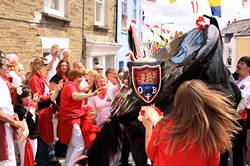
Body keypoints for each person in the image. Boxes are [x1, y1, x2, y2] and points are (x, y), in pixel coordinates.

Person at [141, 80, 240, 166]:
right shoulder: (209, 133)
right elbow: (213, 163)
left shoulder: (162, 125)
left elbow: (151, 154)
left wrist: (148, 127)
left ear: (177, 102)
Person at [57, 69, 99, 165]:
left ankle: (68, 164)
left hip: (71, 119)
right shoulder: (69, 86)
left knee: (73, 146)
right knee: (80, 146)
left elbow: (84, 89)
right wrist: (91, 94)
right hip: (70, 120)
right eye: (80, 77)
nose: (82, 79)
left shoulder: (72, 85)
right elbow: (75, 96)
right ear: (74, 77)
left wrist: (93, 81)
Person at [220, 56, 250, 166]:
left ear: (249, 68)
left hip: (238, 122)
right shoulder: (235, 80)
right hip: (226, 121)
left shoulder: (248, 83)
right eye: (238, 63)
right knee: (223, 151)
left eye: (242, 63)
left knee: (237, 153)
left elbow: (242, 101)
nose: (238, 65)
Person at [0, 52, 23, 165]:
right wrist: (14, 122)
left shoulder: (3, 82)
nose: (10, 68)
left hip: (6, 125)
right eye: (7, 66)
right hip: (2, 127)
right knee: (6, 161)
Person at [14, 87, 38, 166]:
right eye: (25, 96)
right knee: (24, 160)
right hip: (25, 137)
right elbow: (28, 117)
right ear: (20, 98)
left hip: (34, 136)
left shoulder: (32, 105)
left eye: (29, 95)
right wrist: (33, 107)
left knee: (32, 159)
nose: (28, 98)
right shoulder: (18, 108)